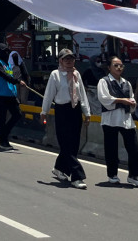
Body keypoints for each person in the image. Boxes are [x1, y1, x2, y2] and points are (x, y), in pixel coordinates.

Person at [40, 48, 91, 189]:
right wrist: (44, 111)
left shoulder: (76, 74)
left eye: (71, 58)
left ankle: (59, 168)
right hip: (62, 111)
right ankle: (77, 176)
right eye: (66, 59)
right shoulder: (55, 74)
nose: (69, 61)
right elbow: (49, 93)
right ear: (60, 60)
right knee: (65, 142)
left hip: (75, 110)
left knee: (74, 144)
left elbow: (82, 94)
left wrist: (87, 113)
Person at [97, 57, 138, 187]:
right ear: (109, 67)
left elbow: (131, 99)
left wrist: (131, 103)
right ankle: (112, 174)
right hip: (111, 119)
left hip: (125, 118)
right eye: (116, 65)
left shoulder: (127, 83)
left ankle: (133, 175)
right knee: (111, 148)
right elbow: (104, 99)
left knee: (133, 148)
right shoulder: (104, 81)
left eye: (121, 66)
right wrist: (122, 101)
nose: (119, 68)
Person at [0, 43, 27, 151]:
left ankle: (4, 133)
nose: (7, 53)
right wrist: (18, 81)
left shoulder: (7, 64)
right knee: (2, 117)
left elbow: (10, 76)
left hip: (9, 94)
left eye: (7, 51)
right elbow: (5, 76)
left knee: (17, 114)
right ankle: (3, 141)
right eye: (4, 51)